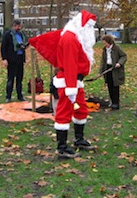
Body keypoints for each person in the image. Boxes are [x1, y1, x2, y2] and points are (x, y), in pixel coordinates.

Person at [52, 10, 98, 158]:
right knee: (64, 113)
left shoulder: (77, 37)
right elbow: (70, 64)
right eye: (89, 27)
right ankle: (62, 147)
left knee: (80, 110)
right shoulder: (70, 38)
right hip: (68, 83)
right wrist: (71, 88)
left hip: (75, 82)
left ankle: (79, 140)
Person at [0, 19, 28, 102]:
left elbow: (24, 43)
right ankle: (8, 96)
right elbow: (3, 47)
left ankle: (20, 95)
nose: (19, 28)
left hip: (20, 59)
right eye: (17, 26)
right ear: (14, 26)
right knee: (11, 79)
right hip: (11, 59)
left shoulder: (22, 34)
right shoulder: (8, 35)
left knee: (20, 79)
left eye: (20, 26)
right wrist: (4, 58)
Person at [99, 34, 127, 110]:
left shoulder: (116, 48)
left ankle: (116, 103)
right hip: (108, 68)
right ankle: (112, 101)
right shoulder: (104, 50)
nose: (105, 45)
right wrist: (101, 71)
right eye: (104, 43)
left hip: (115, 69)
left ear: (109, 42)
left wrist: (119, 63)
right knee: (109, 85)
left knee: (115, 86)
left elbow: (124, 56)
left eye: (106, 43)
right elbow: (103, 61)